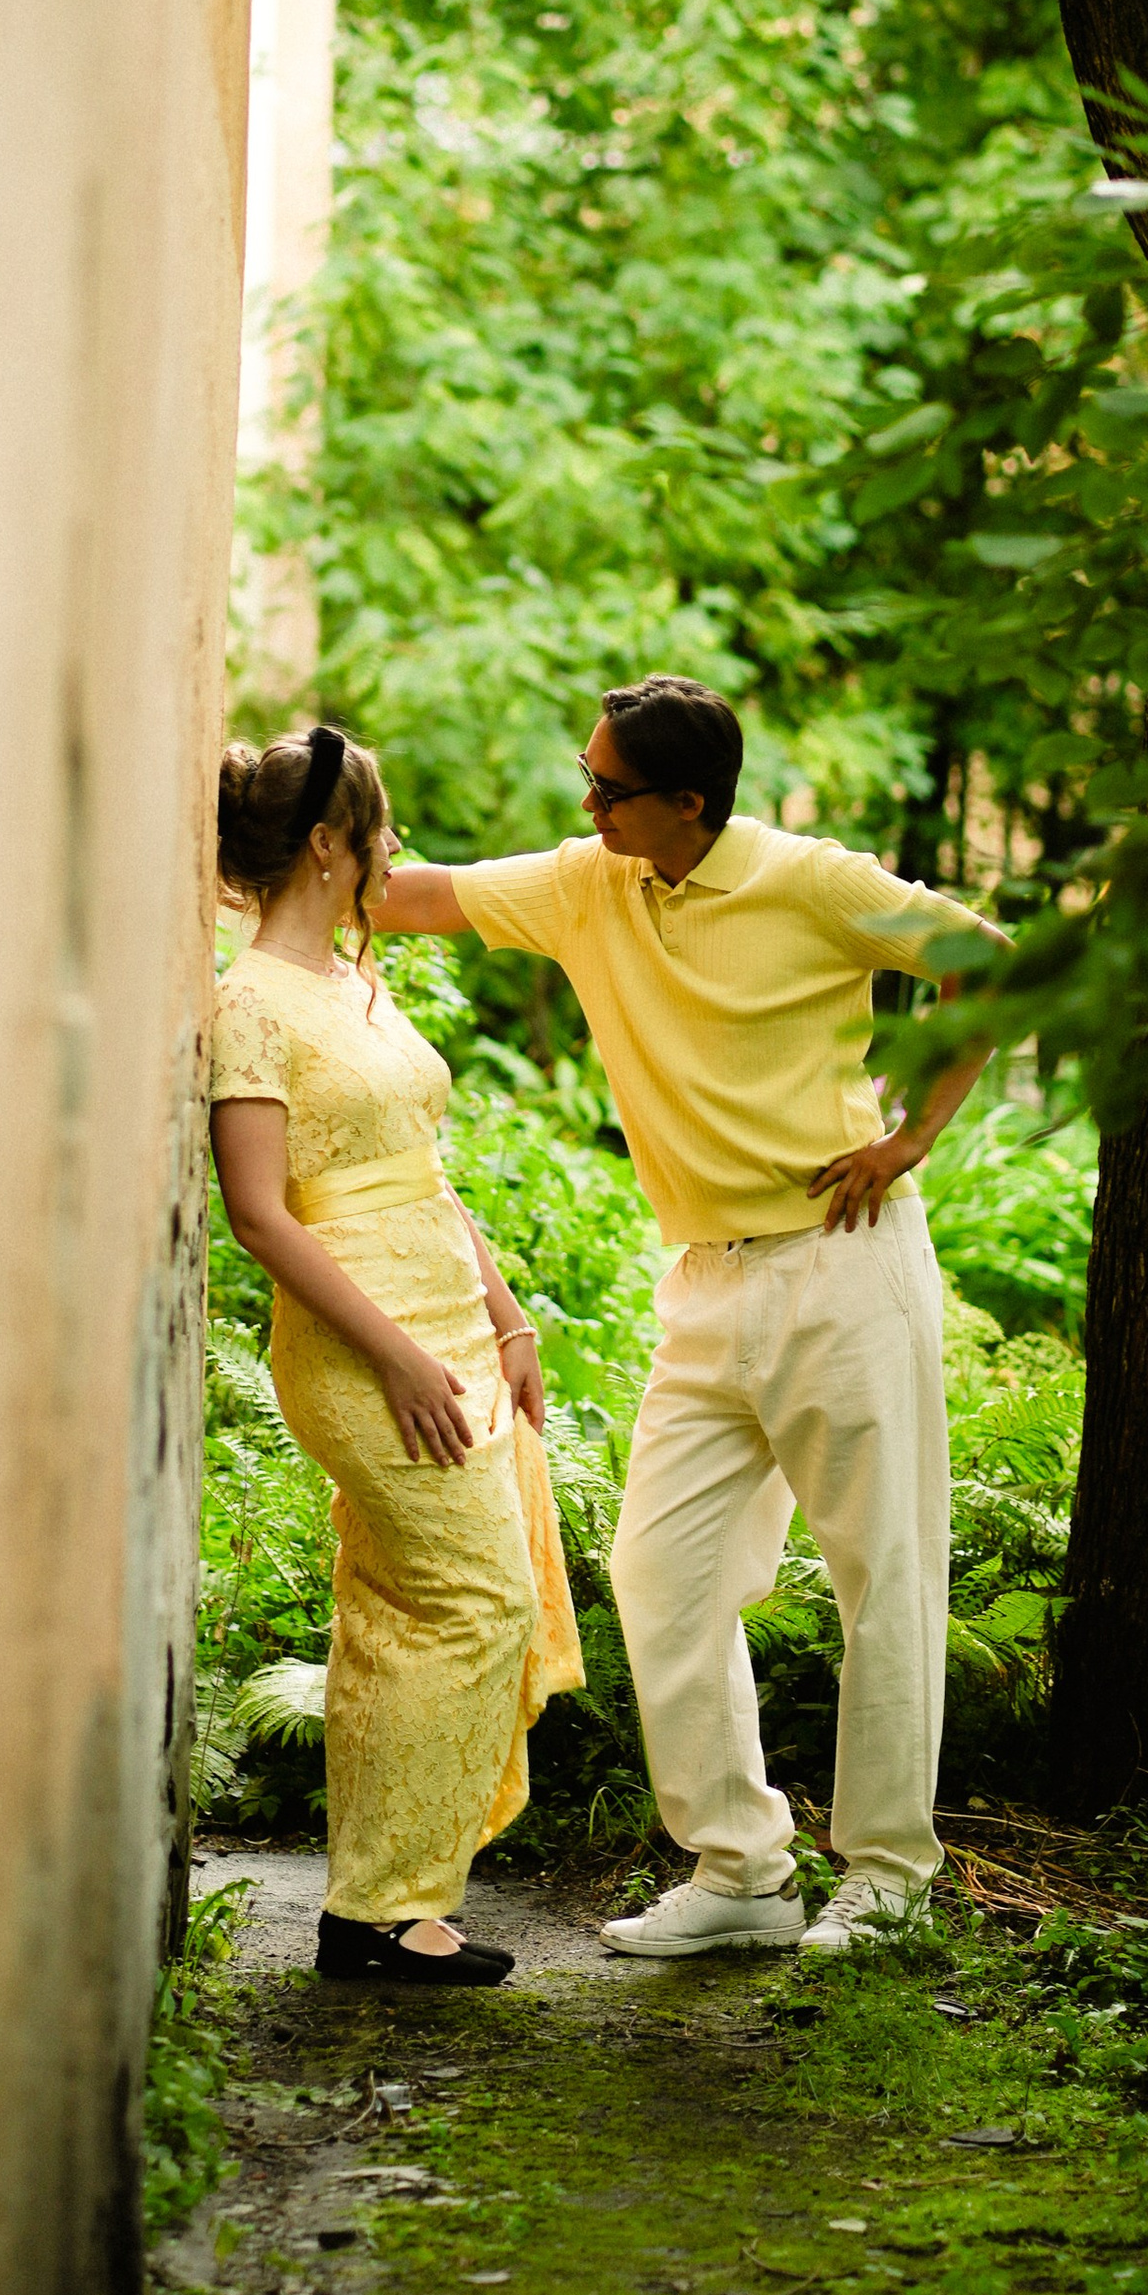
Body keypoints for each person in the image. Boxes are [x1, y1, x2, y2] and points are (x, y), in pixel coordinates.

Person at [370, 675, 1003, 1961]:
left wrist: (912, 1136)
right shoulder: (589, 881)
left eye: (607, 788)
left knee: (883, 1574)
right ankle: (742, 1870)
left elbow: (986, 961)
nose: (584, 800)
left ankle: (887, 1878)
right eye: (587, 776)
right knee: (659, 1572)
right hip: (704, 1284)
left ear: (687, 803)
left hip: (842, 1264)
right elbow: (409, 894)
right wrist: (273, 835)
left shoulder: (811, 881)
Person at [209, 723, 583, 1986]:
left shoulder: (353, 984)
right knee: (476, 1600)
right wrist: (400, 1362)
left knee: (397, 1607)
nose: (394, 850)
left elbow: (425, 1179)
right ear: (328, 845)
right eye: (381, 830)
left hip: (448, 1318)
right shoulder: (249, 1003)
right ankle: (385, 1910)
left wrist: (506, 1317)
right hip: (361, 1341)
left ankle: (376, 1909)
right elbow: (262, 1213)